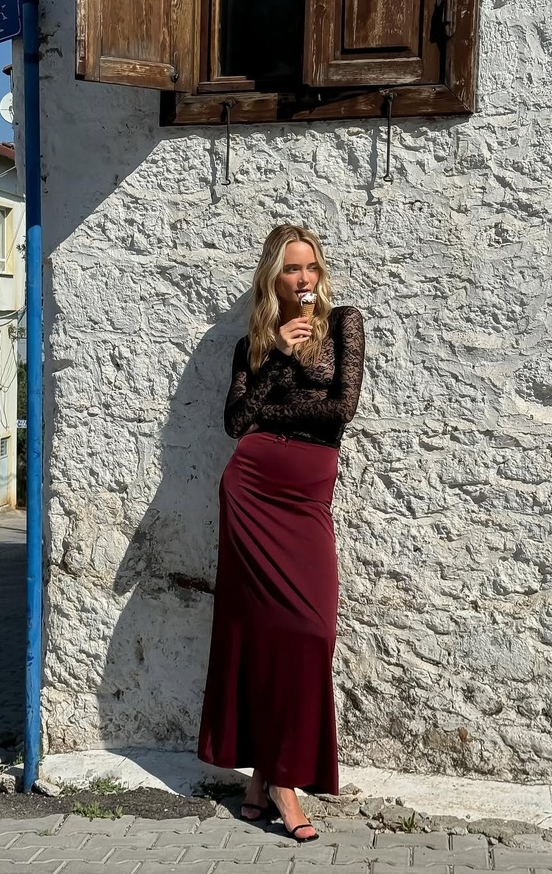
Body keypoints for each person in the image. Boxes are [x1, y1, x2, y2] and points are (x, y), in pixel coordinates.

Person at [198, 224, 365, 843]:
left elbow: (341, 409)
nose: (303, 279)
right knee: (263, 634)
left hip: (306, 493)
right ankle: (284, 785)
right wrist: (279, 361)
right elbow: (237, 421)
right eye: (292, 269)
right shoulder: (254, 345)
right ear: (274, 278)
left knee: (312, 630)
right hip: (251, 489)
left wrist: (279, 398)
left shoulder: (344, 325)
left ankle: (263, 777)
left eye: (311, 267)